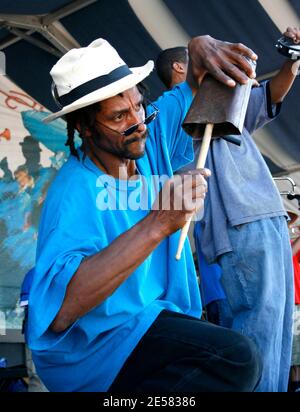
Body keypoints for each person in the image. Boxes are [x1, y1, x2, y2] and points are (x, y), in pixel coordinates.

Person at [25, 36, 262, 392]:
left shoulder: (144, 138)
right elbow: (60, 313)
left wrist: (199, 46)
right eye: (119, 116)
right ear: (85, 127)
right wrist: (159, 222)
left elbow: (193, 80)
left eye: (139, 106)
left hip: (151, 321)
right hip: (98, 349)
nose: (138, 122)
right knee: (235, 357)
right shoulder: (74, 192)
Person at [194, 27, 299, 392]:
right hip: (239, 225)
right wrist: (200, 48)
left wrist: (293, 59)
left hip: (269, 219)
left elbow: (272, 94)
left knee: (278, 327)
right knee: (258, 328)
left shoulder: (231, 111)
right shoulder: (179, 117)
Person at [156, 46, 232, 328]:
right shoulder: (166, 109)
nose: (133, 117)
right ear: (179, 68)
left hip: (196, 264)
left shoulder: (205, 105)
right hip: (179, 229)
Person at [287, 211, 300, 392]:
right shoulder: (281, 247)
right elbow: (289, 254)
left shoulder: (290, 243)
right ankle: (295, 385)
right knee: (294, 350)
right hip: (290, 304)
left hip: (297, 302)